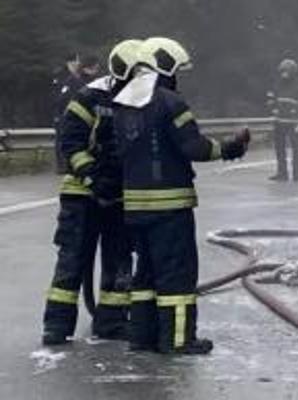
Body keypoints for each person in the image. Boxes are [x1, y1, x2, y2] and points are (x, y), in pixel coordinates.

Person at [114, 37, 249, 354]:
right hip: (170, 206)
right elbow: (194, 147)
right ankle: (177, 340)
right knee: (176, 275)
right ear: (165, 67)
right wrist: (231, 147)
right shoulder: (169, 102)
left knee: (145, 275)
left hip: (135, 206)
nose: (177, 77)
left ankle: (142, 337)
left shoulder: (123, 101)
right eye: (176, 70)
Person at [41, 41, 141, 346]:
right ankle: (57, 325)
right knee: (73, 259)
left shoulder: (141, 99)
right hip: (82, 195)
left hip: (119, 197)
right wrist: (93, 176)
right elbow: (70, 142)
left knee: (119, 260)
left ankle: (111, 321)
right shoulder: (90, 96)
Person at [267, 58, 298, 182]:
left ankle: (297, 175)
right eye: (282, 71)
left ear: (293, 72)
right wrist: (273, 109)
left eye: (287, 71)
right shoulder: (276, 84)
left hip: (294, 123)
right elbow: (270, 100)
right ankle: (282, 173)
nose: (284, 74)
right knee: (279, 148)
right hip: (279, 121)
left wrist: (297, 111)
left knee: (296, 149)